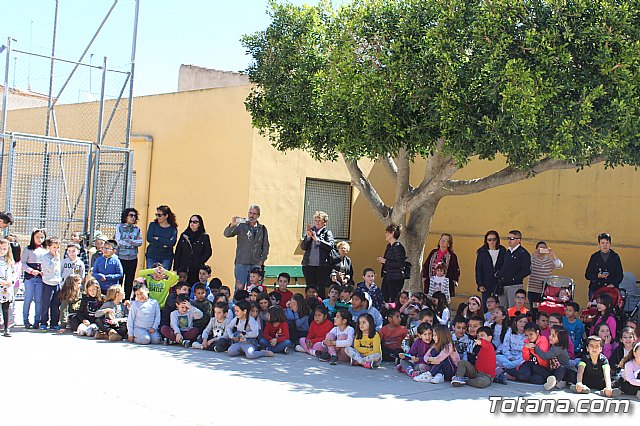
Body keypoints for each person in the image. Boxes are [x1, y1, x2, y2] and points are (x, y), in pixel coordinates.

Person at [223, 205, 269, 287]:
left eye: (254, 214)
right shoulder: (241, 226)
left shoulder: (262, 229)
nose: (251, 215)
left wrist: (262, 260)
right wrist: (232, 225)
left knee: (253, 288)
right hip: (241, 262)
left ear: (258, 215)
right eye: (250, 213)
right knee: (239, 288)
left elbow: (266, 245)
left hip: (255, 263)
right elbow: (227, 234)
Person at [300, 211, 334, 299]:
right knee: (310, 288)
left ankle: (320, 308)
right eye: (315, 220)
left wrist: (317, 240)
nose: (317, 222)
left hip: (322, 267)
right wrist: (308, 237)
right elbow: (303, 247)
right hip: (309, 266)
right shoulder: (311, 231)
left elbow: (330, 246)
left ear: (324, 222)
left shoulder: (327, 232)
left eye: (319, 220)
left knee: (320, 289)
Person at [495, 230, 531, 308]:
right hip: (503, 285)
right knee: (502, 309)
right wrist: (499, 274)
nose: (509, 240)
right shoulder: (507, 252)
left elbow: (527, 270)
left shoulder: (523, 253)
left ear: (519, 240)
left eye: (512, 238)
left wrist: (515, 278)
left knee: (513, 308)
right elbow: (504, 266)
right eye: (508, 238)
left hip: (514, 286)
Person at [529, 241, 563, 320]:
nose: (542, 250)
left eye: (544, 248)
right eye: (540, 248)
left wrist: (553, 254)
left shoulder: (549, 260)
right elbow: (527, 264)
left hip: (545, 291)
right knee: (534, 310)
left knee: (544, 311)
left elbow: (559, 266)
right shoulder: (532, 259)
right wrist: (534, 254)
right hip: (533, 290)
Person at [174, 214, 212, 285]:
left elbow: (208, 252)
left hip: (196, 269)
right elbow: (178, 252)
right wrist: (176, 268)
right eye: (191, 221)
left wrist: (200, 261)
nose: (192, 224)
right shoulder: (184, 236)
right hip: (184, 268)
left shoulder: (204, 237)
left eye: (195, 222)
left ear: (199, 224)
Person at [21, 229, 47, 329]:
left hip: (41, 278)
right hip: (29, 278)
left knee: (38, 299)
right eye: (37, 237)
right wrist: (31, 271)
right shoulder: (28, 249)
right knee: (28, 298)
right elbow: (23, 263)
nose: (39, 239)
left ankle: (37, 320)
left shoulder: (45, 250)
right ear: (33, 237)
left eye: (42, 237)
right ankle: (25, 320)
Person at [115, 208, 143, 300]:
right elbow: (119, 241)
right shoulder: (119, 227)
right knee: (119, 279)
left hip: (132, 258)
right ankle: (117, 298)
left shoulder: (137, 229)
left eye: (135, 216)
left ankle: (126, 300)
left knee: (129, 280)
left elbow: (140, 242)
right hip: (121, 257)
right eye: (131, 215)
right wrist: (132, 242)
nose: (133, 218)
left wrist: (128, 241)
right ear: (126, 216)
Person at [585, 232, 624, 299]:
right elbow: (587, 275)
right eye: (602, 243)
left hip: (610, 290)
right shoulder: (594, 257)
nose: (605, 246)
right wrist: (597, 276)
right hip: (595, 289)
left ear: (610, 244)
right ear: (599, 244)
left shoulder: (615, 257)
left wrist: (613, 284)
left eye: (607, 243)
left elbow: (620, 275)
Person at [475, 230, 506, 309]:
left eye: (494, 239)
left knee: (499, 306)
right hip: (486, 283)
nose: (492, 242)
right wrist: (480, 284)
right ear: (486, 240)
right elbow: (478, 269)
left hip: (499, 283)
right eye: (489, 240)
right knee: (486, 306)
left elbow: (505, 266)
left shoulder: (503, 251)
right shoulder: (482, 252)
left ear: (497, 240)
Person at [423, 233, 460, 297]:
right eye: (441, 239)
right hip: (432, 283)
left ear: (448, 244)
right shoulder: (433, 253)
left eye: (445, 240)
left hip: (444, 285)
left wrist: (454, 281)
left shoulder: (452, 256)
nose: (442, 241)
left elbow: (456, 270)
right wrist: (425, 277)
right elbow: (426, 265)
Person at [378, 224, 407, 304]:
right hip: (387, 276)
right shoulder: (389, 246)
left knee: (394, 299)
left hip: (395, 278)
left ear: (392, 233)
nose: (386, 234)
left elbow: (399, 264)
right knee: (384, 298)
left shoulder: (398, 247)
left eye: (387, 232)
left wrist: (385, 261)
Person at [40, 236, 63, 331]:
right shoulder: (45, 257)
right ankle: (44, 322)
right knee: (46, 304)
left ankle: (54, 323)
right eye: (54, 247)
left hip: (56, 283)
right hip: (47, 283)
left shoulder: (57, 257)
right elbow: (50, 268)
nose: (56, 250)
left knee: (56, 304)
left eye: (58, 247)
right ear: (49, 247)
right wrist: (56, 259)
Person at [146, 205, 178, 270]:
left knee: (164, 277)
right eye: (156, 215)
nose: (157, 217)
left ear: (166, 216)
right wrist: (164, 244)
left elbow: (172, 243)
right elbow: (149, 238)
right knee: (151, 276)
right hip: (152, 255)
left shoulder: (173, 229)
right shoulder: (152, 225)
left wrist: (158, 239)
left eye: (159, 215)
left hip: (166, 257)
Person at [0, 239, 15, 337]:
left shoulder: (9, 261)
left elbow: (12, 273)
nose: (2, 251)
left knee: (6, 309)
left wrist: (10, 281)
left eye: (4, 249)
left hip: (6, 289)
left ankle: (7, 328)